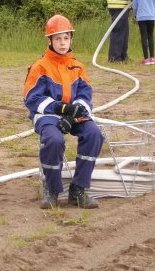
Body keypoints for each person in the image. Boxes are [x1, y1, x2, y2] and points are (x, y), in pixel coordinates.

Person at [23, 15, 104, 209]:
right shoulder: (40, 67)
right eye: (57, 38)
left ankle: (78, 190)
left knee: (94, 135)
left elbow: (86, 95)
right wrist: (61, 109)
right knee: (54, 140)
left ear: (71, 39)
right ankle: (52, 190)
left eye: (66, 38)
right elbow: (31, 98)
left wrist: (72, 114)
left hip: (74, 114)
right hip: (47, 116)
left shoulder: (78, 67)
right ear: (49, 40)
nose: (62, 43)